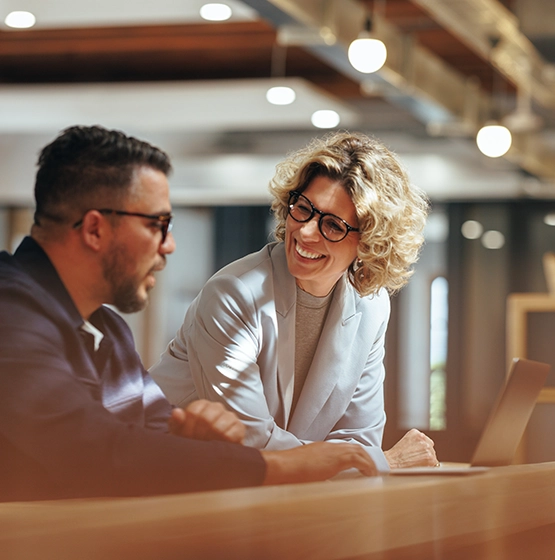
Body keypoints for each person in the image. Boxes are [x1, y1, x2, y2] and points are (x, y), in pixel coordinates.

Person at [0, 125, 378, 503]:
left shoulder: (107, 329)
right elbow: (94, 453)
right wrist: (288, 465)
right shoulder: (9, 316)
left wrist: (191, 438)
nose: (169, 245)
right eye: (157, 225)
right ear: (96, 229)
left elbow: (148, 436)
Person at [150, 131, 438, 470]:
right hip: (162, 478)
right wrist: (382, 461)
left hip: (266, 489)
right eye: (303, 208)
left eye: (332, 225)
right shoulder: (234, 293)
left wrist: (364, 459)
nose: (305, 231)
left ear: (370, 242)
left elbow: (359, 436)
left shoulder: (371, 306)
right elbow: (252, 441)